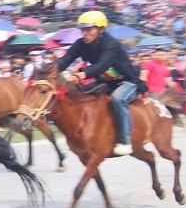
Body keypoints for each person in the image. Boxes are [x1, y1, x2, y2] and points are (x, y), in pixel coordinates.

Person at [56, 10, 143, 156]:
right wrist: (49, 70)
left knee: (118, 99)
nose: (85, 34)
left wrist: (80, 75)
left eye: (89, 30)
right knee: (81, 93)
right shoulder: (80, 43)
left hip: (127, 81)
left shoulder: (111, 44)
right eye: (83, 30)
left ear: (101, 29)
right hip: (106, 82)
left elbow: (103, 65)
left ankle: (125, 141)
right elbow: (65, 60)